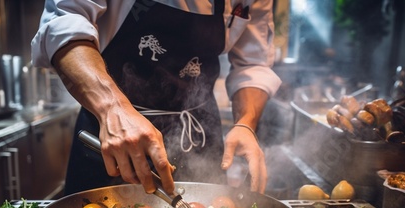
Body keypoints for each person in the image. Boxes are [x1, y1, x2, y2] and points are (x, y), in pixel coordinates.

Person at [31, 0, 281, 196]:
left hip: (200, 133)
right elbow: (64, 25)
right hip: (113, 132)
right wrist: (112, 108)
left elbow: (252, 63)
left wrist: (246, 123)